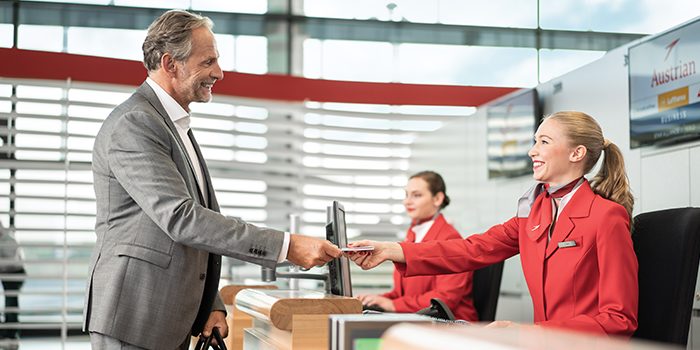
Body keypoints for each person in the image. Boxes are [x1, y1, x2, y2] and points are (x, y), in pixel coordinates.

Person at [84, 10, 341, 350]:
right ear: (170, 63)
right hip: (137, 316)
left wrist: (211, 304)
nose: (218, 73)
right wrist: (287, 246)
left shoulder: (172, 125)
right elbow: (181, 219)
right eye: (208, 62)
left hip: (165, 314)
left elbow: (185, 240)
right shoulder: (136, 123)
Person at [348, 111, 638, 337]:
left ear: (577, 153)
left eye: (544, 142)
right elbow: (470, 249)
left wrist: (530, 333)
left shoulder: (606, 216)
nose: (532, 151)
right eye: (535, 141)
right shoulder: (534, 214)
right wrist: (390, 250)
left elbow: (619, 319)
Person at [356, 171, 478, 321]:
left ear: (438, 198)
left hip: (452, 325)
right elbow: (403, 294)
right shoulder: (413, 235)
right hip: (421, 320)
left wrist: (393, 305)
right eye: (406, 195)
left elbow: (444, 300)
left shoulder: (450, 239)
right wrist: (376, 299)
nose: (407, 201)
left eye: (416, 195)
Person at [0, 220, 25, 340]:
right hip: (6, 274)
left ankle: (12, 332)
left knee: (11, 301)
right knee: (9, 301)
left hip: (15, 273)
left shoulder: (8, 240)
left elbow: (11, 262)